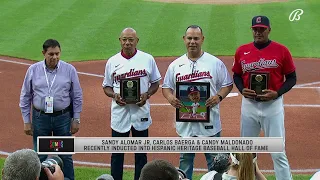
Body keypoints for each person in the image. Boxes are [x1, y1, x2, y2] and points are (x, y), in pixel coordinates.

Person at [162, 25, 233, 180]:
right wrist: (170, 98)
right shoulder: (175, 65)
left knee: (215, 162)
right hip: (186, 124)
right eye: (189, 38)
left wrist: (218, 97)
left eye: (196, 38)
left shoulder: (215, 63)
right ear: (184, 39)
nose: (192, 42)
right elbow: (166, 87)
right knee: (185, 161)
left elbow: (228, 84)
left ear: (202, 39)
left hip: (210, 123)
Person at [232, 15, 296, 180]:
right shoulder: (242, 50)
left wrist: (277, 93)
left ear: (269, 30)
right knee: (246, 151)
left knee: (277, 151)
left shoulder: (282, 50)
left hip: (272, 106)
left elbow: (292, 78)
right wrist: (242, 89)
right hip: (249, 105)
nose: (258, 32)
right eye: (255, 29)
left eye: (262, 29)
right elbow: (237, 75)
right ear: (252, 30)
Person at [102, 27, 161, 180]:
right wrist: (114, 95)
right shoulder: (112, 61)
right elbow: (106, 86)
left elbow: (155, 83)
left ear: (137, 41)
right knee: (117, 155)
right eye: (124, 40)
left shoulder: (147, 59)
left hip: (140, 113)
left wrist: (147, 94)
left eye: (131, 40)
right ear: (120, 41)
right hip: (119, 114)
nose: (127, 43)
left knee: (141, 154)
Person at [19, 39, 83, 180]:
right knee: (39, 155)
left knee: (65, 154)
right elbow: (25, 96)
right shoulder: (33, 70)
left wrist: (76, 119)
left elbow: (77, 95)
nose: (55, 57)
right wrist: (26, 121)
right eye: (51, 54)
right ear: (44, 53)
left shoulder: (69, 70)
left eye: (57, 54)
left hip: (63, 118)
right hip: (40, 118)